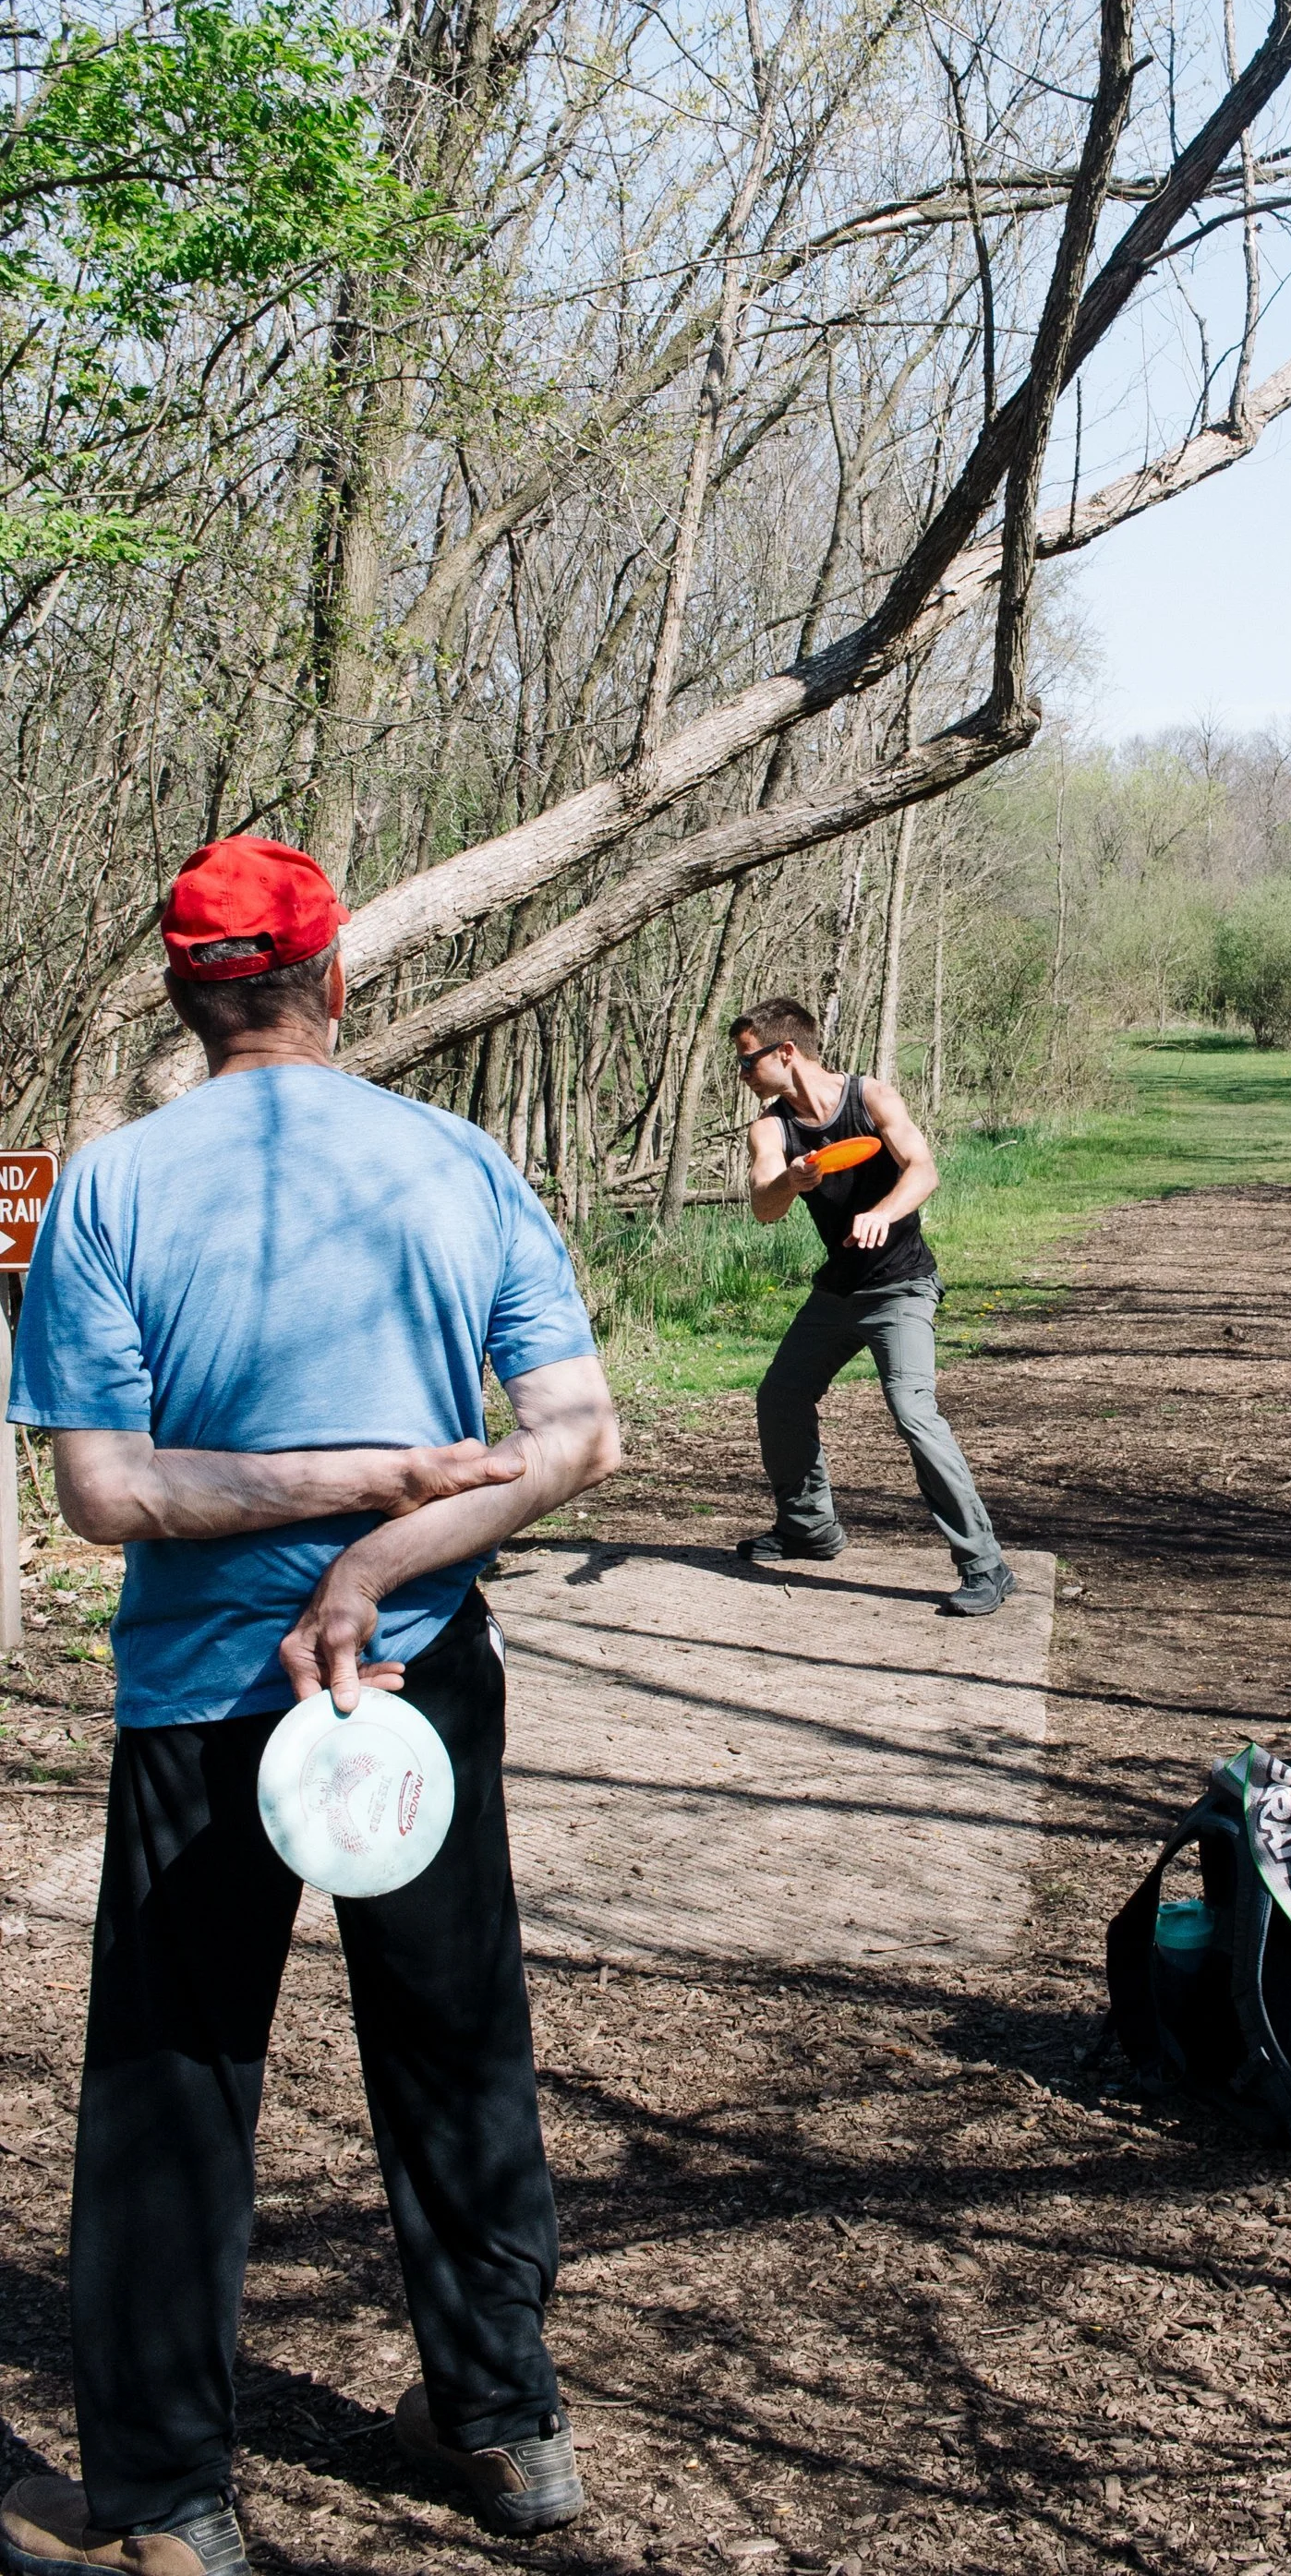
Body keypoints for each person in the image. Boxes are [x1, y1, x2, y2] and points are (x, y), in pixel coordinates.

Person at [0, 838, 622, 2576]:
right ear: (337, 979)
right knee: (457, 2040)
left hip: (205, 1700)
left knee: (174, 2079)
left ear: (187, 996)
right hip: (421, 1689)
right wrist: (389, 1528)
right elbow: (579, 1440)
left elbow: (106, 1496)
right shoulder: (458, 1160)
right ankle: (504, 2422)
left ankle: (169, 2506)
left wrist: (330, 1539)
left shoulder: (111, 1192)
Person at [730, 995, 1015, 1619]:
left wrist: (884, 1213)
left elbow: (923, 1167)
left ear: (785, 1052)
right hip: (838, 1291)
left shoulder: (871, 1097)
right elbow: (764, 1205)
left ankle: (985, 1563)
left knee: (913, 1411)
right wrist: (790, 1181)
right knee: (780, 1395)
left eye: (747, 1063)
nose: (742, 1076)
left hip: (902, 1285)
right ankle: (809, 1528)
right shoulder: (771, 1127)